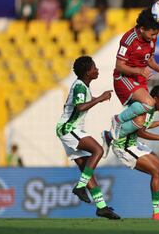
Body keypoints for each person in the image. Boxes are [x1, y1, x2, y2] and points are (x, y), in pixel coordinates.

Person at [102, 85, 159, 221]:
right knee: (156, 172)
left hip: (133, 144)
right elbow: (141, 132)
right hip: (124, 146)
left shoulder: (150, 110)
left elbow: (145, 125)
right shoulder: (145, 109)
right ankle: (157, 212)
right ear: (155, 99)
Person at [56, 56, 120, 220]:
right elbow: (79, 107)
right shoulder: (79, 86)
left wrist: (98, 98)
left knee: (87, 170)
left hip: (71, 129)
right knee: (97, 150)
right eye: (94, 68)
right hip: (69, 128)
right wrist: (99, 99)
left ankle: (101, 207)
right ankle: (80, 186)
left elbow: (80, 104)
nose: (97, 70)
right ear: (87, 72)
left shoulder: (83, 86)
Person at [109, 6, 159, 141]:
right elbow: (119, 66)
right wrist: (139, 70)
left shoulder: (152, 38)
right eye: (152, 34)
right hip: (123, 78)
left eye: (156, 34)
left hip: (139, 78)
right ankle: (117, 120)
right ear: (142, 29)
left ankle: (110, 138)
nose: (154, 37)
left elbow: (149, 58)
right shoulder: (128, 39)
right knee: (149, 102)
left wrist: (157, 68)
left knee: (141, 120)